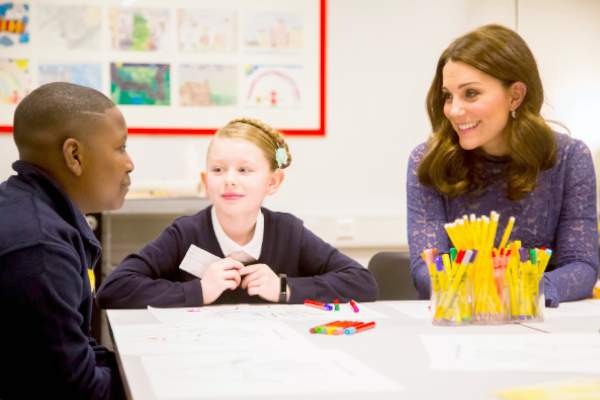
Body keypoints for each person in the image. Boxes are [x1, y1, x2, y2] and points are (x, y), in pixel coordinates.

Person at [407, 24, 598, 307]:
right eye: (448, 95)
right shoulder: (427, 162)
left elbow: (581, 265)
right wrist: (479, 293)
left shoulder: (570, 158)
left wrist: (519, 291)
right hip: (457, 323)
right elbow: (426, 268)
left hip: (539, 323)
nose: (454, 110)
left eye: (470, 93)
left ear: (515, 96)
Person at [96, 118, 379, 308]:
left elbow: (362, 283)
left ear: (272, 182)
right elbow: (113, 289)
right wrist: (198, 291)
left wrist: (284, 288)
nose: (229, 179)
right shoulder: (185, 235)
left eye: (244, 170)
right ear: (206, 182)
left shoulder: (289, 233)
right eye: (218, 170)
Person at [0, 82, 133, 399]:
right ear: (74, 155)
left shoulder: (40, 213)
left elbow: (74, 353)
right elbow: (78, 391)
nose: (130, 163)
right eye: (120, 147)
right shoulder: (40, 251)